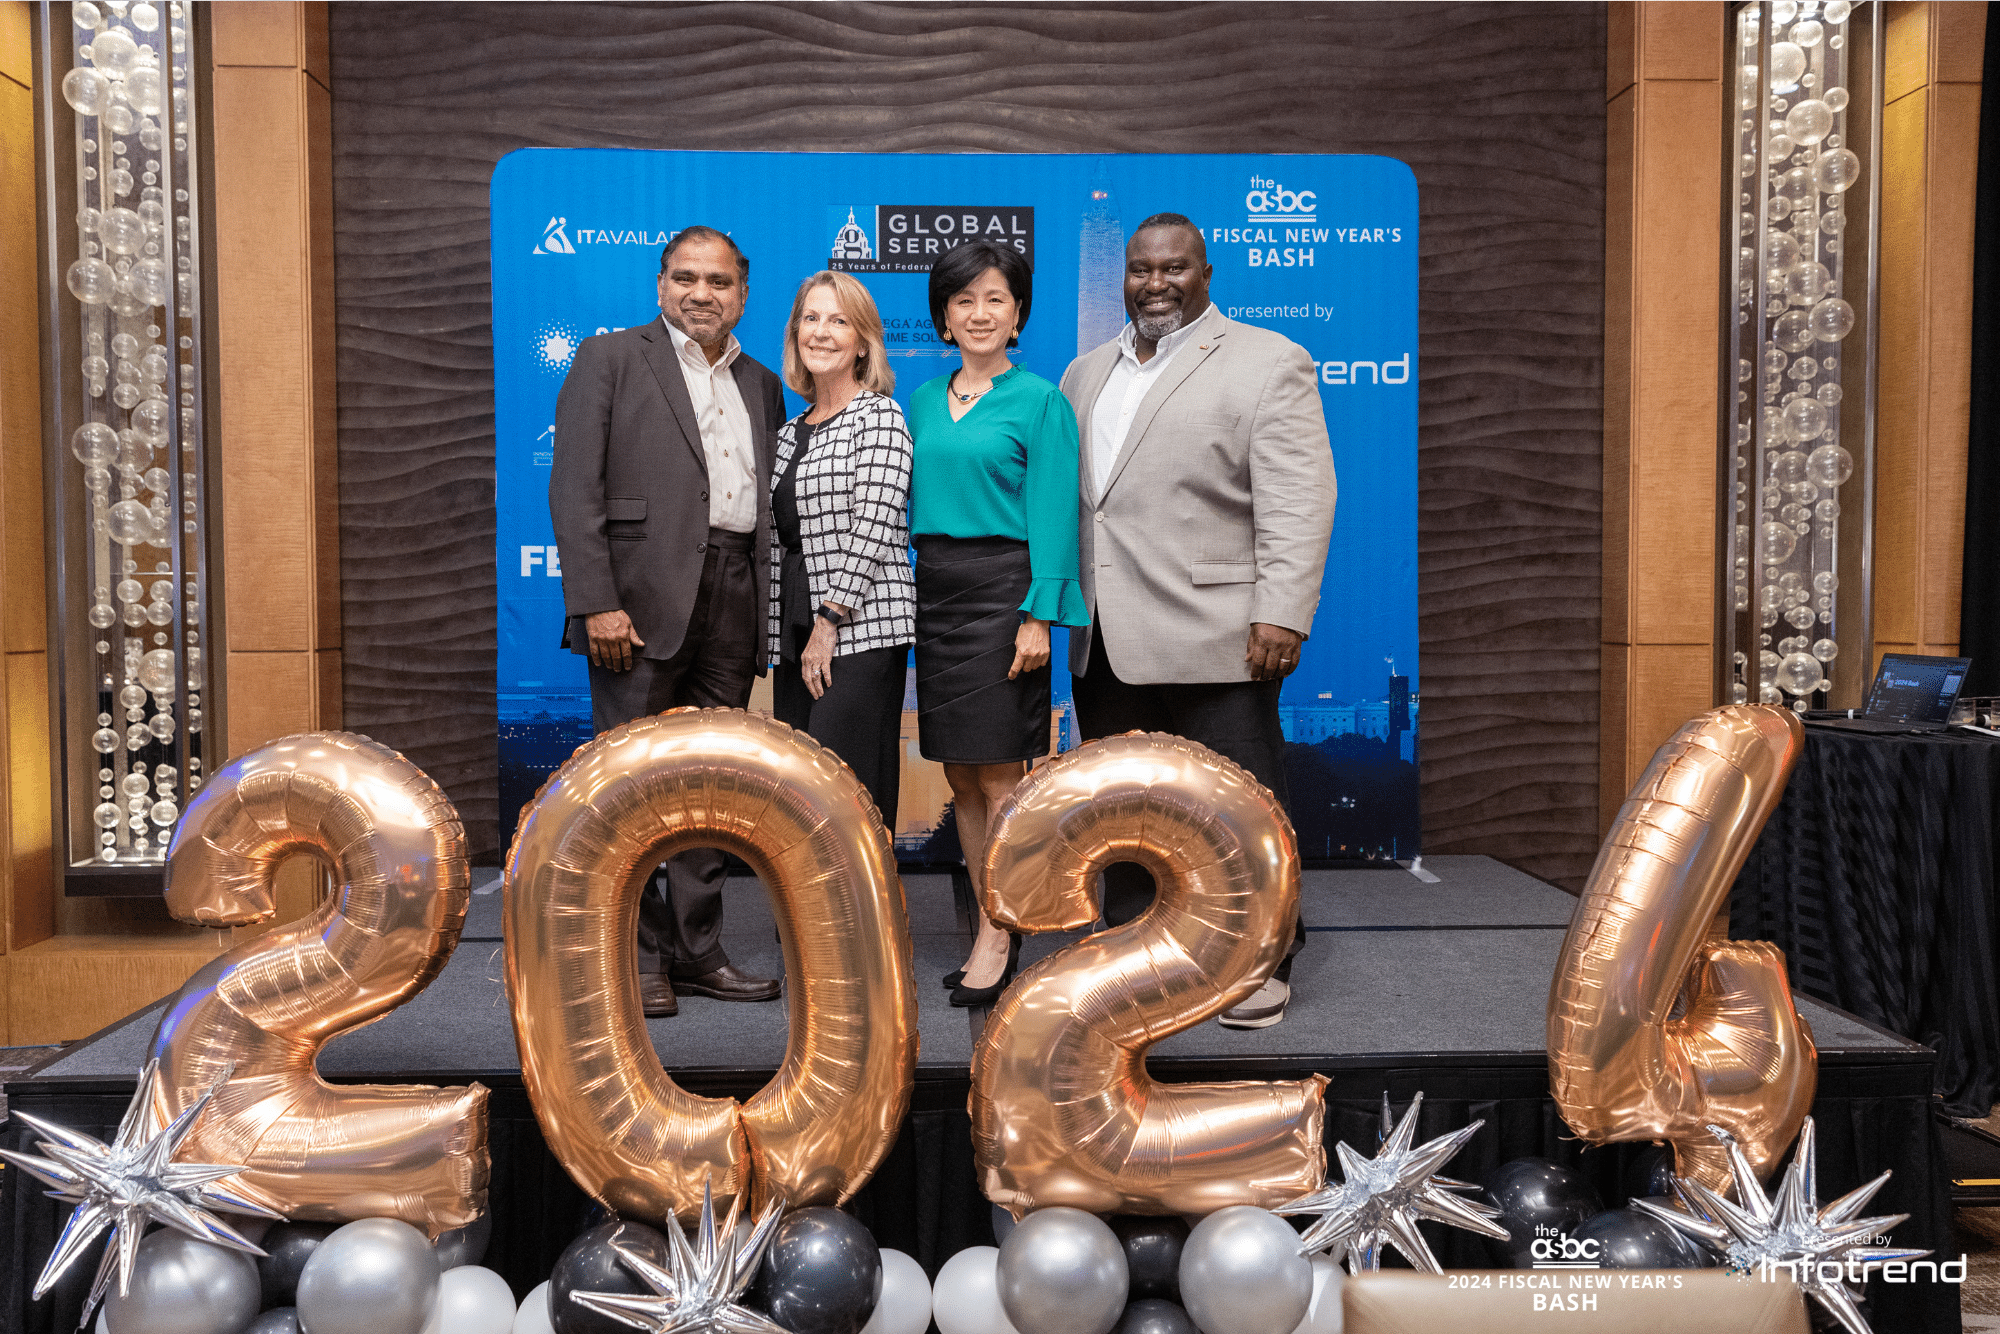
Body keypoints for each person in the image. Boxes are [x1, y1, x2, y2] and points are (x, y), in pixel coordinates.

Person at [1060, 213, 1336, 1030]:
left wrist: (1282, 610)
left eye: (1173, 268)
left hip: (1220, 632)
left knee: (1240, 813)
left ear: (1206, 274)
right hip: (1107, 636)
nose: (1154, 282)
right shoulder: (1084, 373)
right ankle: (1145, 946)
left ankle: (1261, 960)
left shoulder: (1266, 361)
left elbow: (1299, 496)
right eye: (1141, 269)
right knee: (1131, 808)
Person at [549, 226, 784, 1019]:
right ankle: (641, 955)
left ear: (742, 295)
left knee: (712, 787)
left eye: (719, 281)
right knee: (633, 789)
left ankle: (698, 951)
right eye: (686, 277)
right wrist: (595, 601)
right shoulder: (611, 359)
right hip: (638, 604)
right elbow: (575, 487)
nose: (701, 293)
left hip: (734, 593)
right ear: (660, 285)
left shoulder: (761, 380)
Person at [909, 239, 1089, 1008]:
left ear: (1018, 314)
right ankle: (992, 911)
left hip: (1005, 593)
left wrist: (1038, 617)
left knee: (1002, 776)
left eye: (996, 299)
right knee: (958, 773)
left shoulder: (1041, 401)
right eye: (963, 300)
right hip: (936, 594)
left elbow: (1054, 514)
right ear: (943, 317)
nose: (979, 313)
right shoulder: (919, 400)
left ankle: (999, 927)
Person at [766, 272, 914, 825]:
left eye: (838, 320)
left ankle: (865, 913)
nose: (821, 332)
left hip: (859, 630)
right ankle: (806, 913)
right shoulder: (788, 432)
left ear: (863, 340)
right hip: (795, 630)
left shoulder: (879, 416)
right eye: (811, 318)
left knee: (849, 790)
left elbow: (874, 525)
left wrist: (829, 623)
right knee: (800, 790)